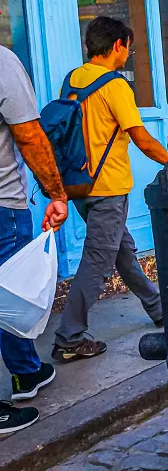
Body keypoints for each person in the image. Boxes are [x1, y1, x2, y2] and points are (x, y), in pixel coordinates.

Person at [53, 17, 168, 363]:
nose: (127, 54)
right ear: (118, 45)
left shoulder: (72, 80)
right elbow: (142, 139)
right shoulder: (116, 85)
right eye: (128, 48)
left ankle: (159, 308)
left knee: (122, 251)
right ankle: (69, 337)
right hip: (108, 189)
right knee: (98, 262)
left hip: (81, 187)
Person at [0, 46, 69, 433]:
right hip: (3, 205)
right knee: (10, 292)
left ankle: (27, 371)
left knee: (9, 297)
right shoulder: (1, 61)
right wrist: (56, 194)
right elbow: (29, 135)